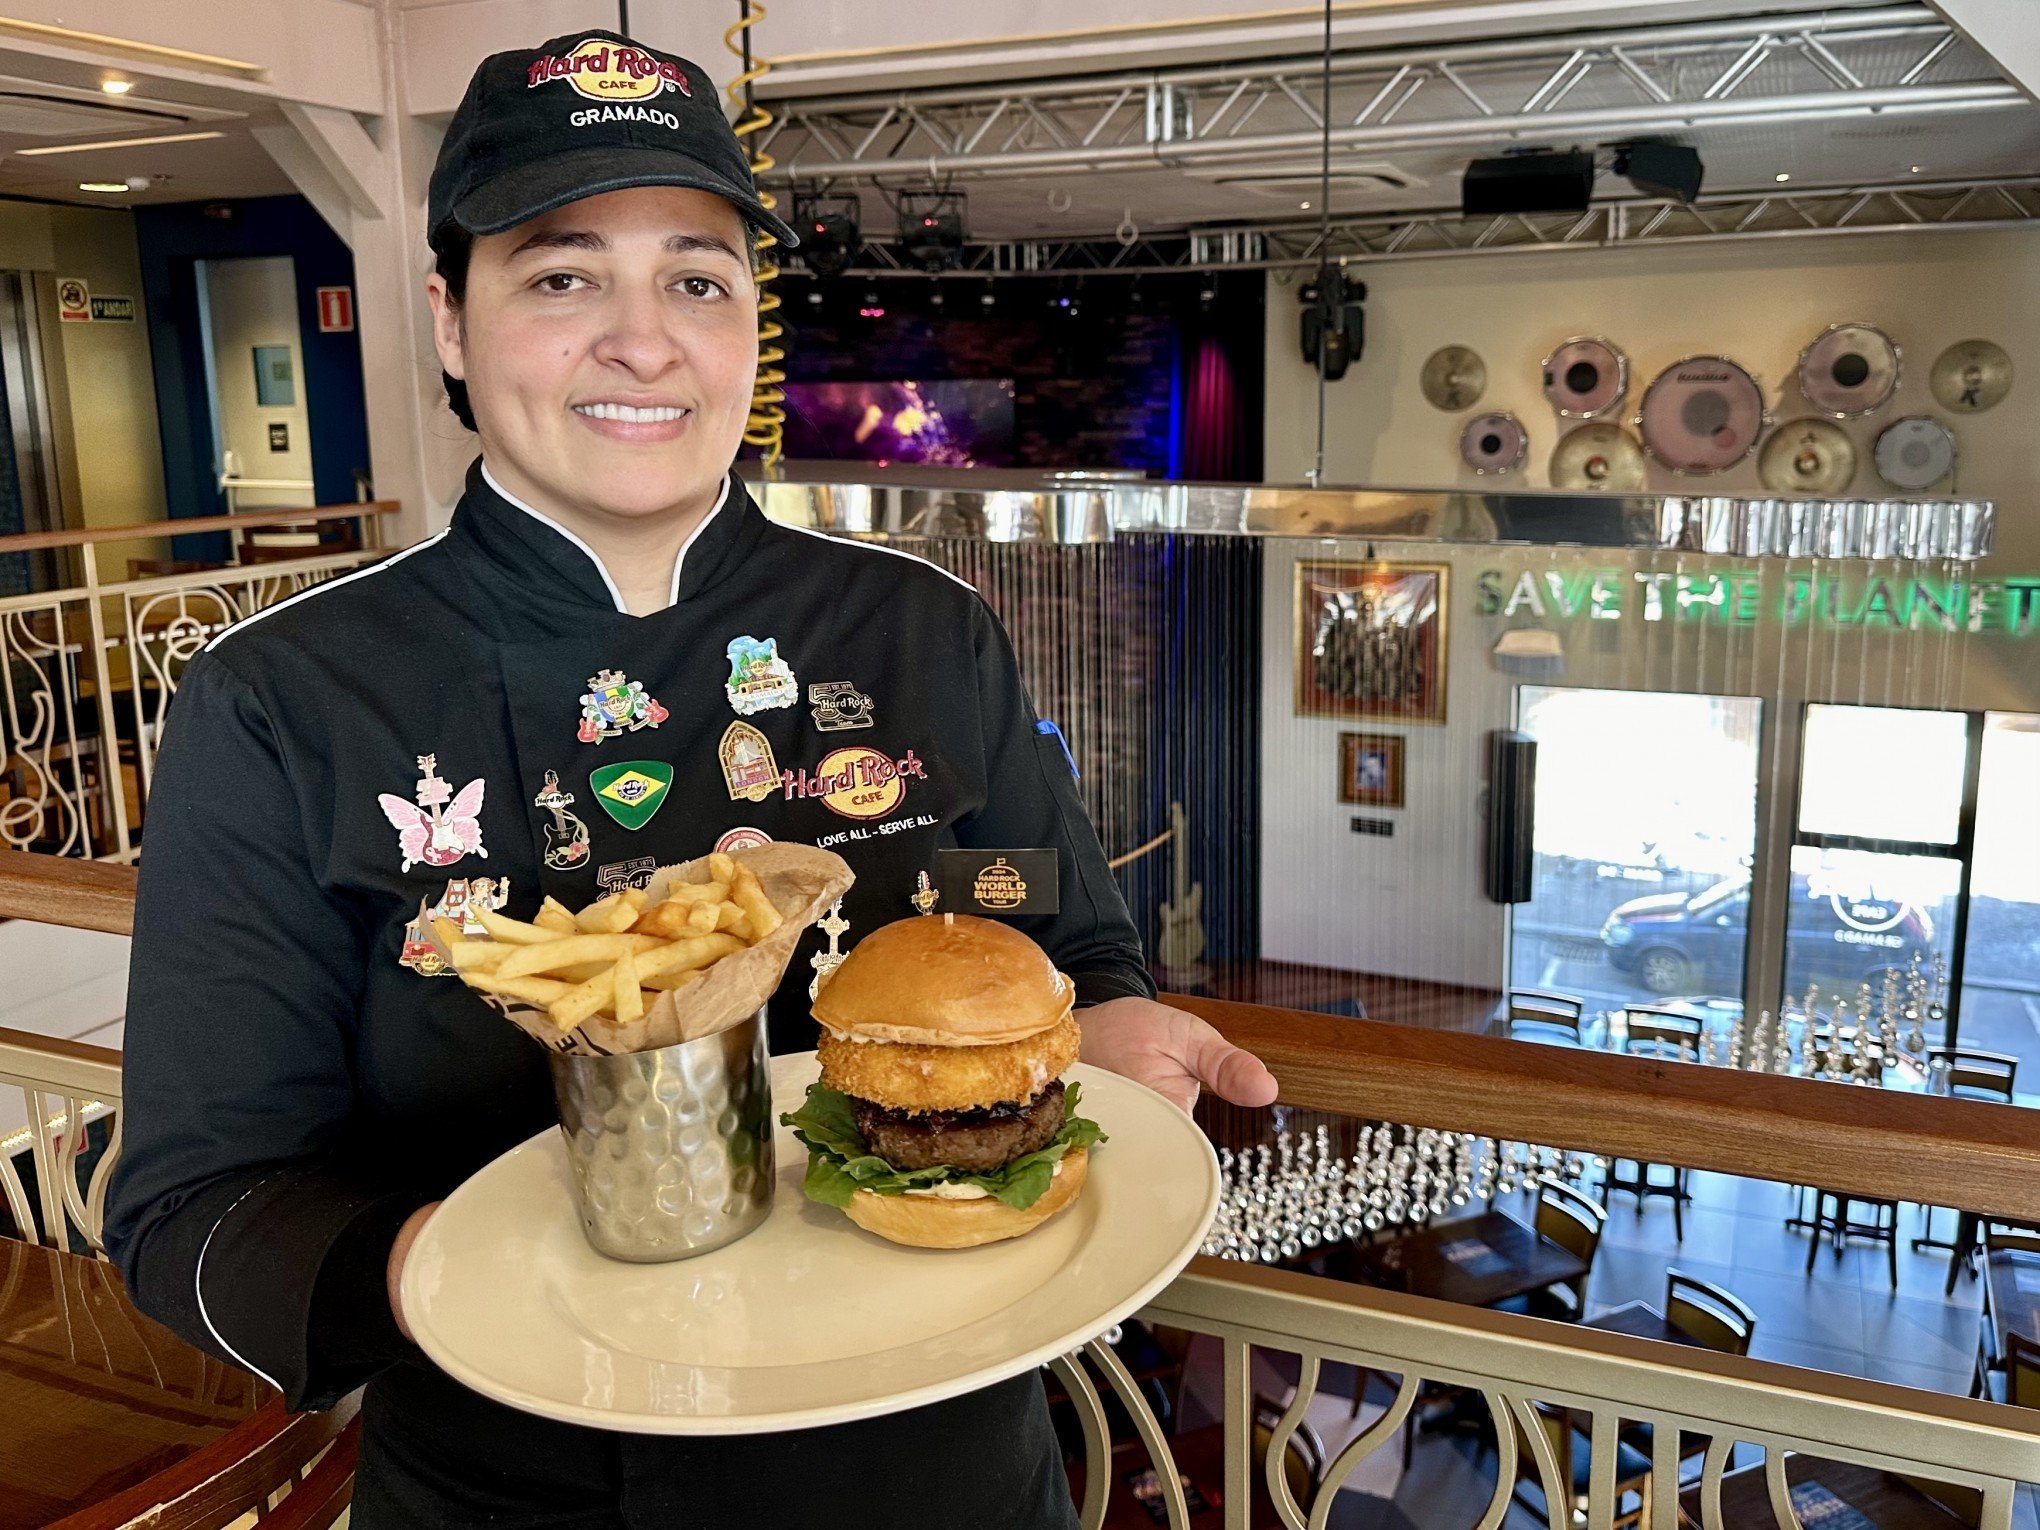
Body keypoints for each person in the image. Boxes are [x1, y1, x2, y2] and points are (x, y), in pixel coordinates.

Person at [103, 29, 1277, 1530]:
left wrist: (1109, 1021)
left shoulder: (925, 629)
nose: (643, 340)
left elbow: (1061, 945)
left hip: (947, 1475)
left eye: (699, 278)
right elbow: (190, 1210)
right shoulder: (280, 698)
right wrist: (458, 1273)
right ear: (450, 319)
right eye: (561, 273)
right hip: (519, 1495)